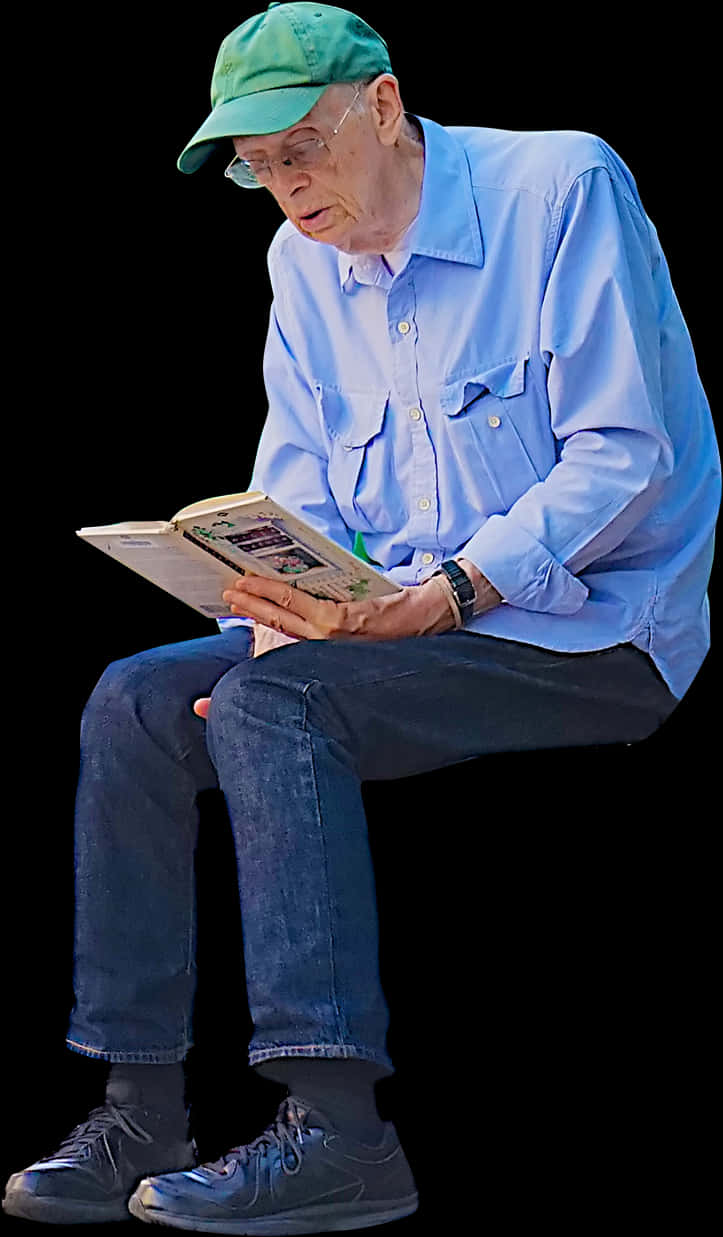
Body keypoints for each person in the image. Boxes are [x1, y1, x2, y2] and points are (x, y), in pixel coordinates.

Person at [4, 1, 720, 1231]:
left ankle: (337, 1133)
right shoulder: (300, 264)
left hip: (587, 628)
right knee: (133, 697)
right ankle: (140, 1110)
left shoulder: (561, 185)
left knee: (273, 707)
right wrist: (287, 592)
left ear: (384, 105)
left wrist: (440, 595)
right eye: (257, 167)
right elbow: (303, 492)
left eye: (301, 148)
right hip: (392, 620)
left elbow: (625, 455)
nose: (285, 187)